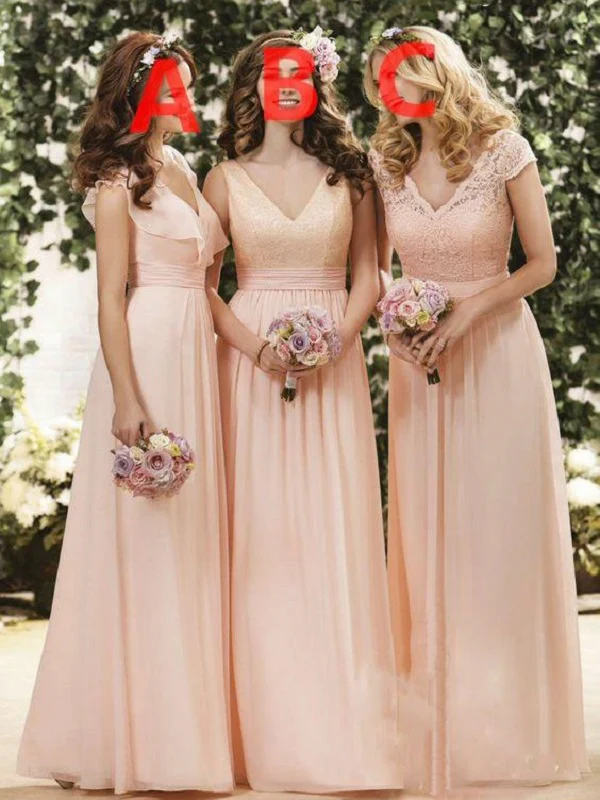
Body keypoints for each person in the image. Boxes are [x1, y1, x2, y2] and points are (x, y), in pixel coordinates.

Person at [365, 24, 589, 795]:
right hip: (417, 361)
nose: (393, 89)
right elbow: (376, 268)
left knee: (497, 535)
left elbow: (542, 263)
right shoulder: (385, 160)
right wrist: (397, 325)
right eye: (381, 79)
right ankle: (434, 733)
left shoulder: (504, 149)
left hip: (496, 356)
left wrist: (465, 314)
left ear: (438, 71)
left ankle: (508, 732)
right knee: (426, 535)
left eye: (403, 72)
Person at [16, 32, 234, 794]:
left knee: (186, 539)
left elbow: (208, 271)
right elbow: (111, 299)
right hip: (147, 353)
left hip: (194, 352)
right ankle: (136, 741)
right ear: (138, 95)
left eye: (187, 87)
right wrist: (130, 396)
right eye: (172, 88)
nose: (184, 99)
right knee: (147, 539)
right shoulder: (116, 182)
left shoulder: (180, 167)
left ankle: (184, 730)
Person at [202, 27, 402, 794]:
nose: (287, 84)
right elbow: (203, 290)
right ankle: (257, 735)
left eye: (299, 72)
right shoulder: (223, 179)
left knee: (332, 531)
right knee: (262, 541)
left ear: (316, 83)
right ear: (253, 86)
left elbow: (369, 275)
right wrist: (258, 351)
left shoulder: (350, 173)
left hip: (333, 365)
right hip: (250, 367)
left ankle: (337, 729)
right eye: (273, 73)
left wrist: (337, 340)